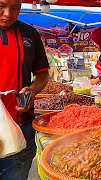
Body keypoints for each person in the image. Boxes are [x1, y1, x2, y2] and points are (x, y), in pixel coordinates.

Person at [0, 0, 50, 179]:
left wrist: (32, 91)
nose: (8, 13)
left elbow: (43, 75)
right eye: (1, 6)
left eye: (15, 8)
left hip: (22, 129)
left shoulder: (30, 34)